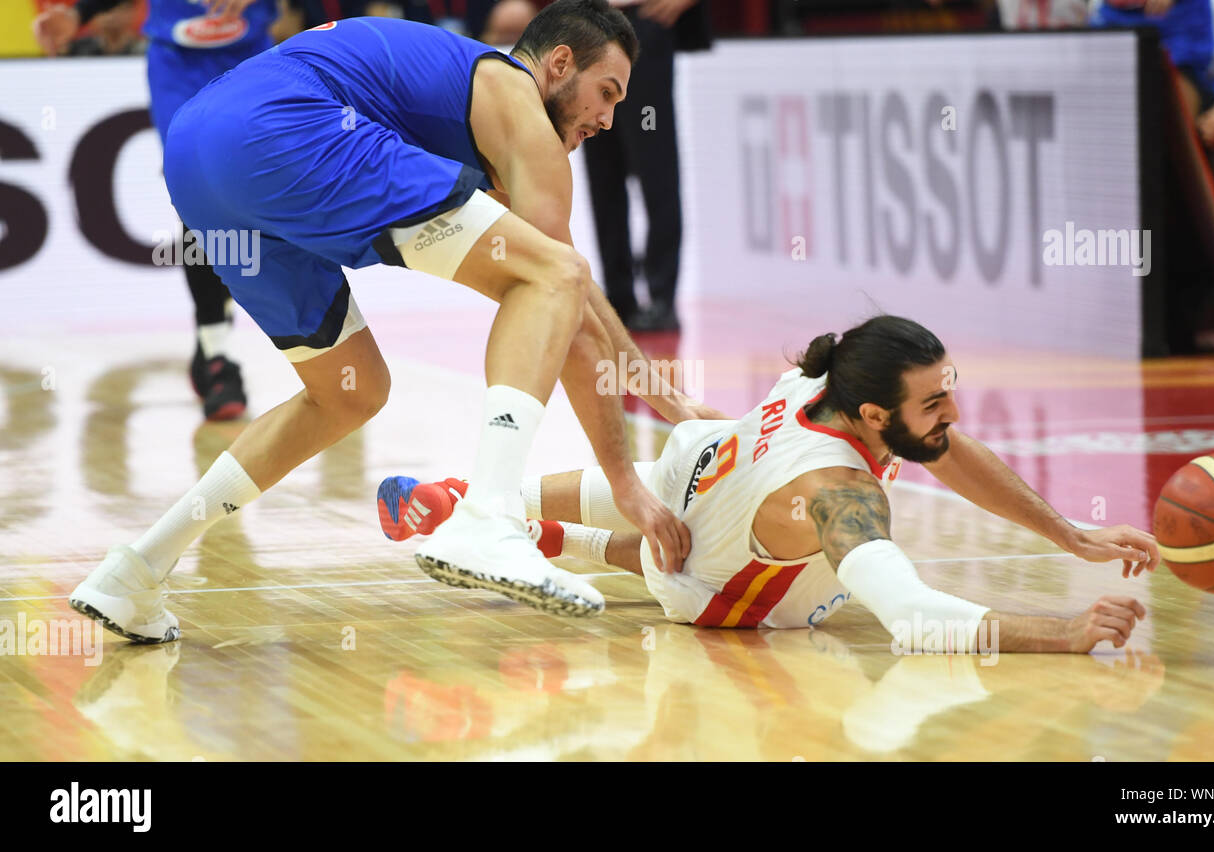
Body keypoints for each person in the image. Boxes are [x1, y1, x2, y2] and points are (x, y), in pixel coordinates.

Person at [69, 1, 716, 644]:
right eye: (606, 93)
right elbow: (564, 289)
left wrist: (655, 387)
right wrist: (628, 479)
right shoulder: (517, 102)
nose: (607, 118)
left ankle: (136, 571)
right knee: (549, 277)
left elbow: (568, 283)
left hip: (196, 154)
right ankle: (489, 517)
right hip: (285, 127)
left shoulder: (470, 93)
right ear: (558, 63)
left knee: (349, 391)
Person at [381, 315, 1160, 652]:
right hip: (705, 587)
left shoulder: (817, 375)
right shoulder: (838, 490)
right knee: (694, 558)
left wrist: (1068, 534)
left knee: (668, 477)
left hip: (697, 465)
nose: (954, 411)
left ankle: (483, 501)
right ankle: (545, 533)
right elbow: (916, 620)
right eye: (935, 400)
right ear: (871, 413)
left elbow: (949, 448)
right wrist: (1064, 630)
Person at [33, 0, 278, 420]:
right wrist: (82, 13)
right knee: (197, 187)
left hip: (250, 54)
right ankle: (219, 355)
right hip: (178, 63)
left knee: (246, 202)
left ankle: (212, 349)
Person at [580, 0, 710, 332]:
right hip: (587, 26)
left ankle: (662, 297)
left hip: (640, 24)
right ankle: (618, 298)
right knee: (602, 170)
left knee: (655, 164)